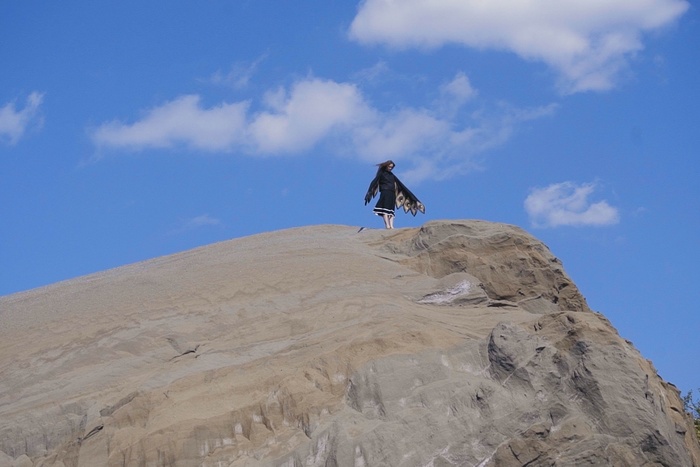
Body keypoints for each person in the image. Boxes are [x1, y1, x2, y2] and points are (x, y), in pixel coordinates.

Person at [364, 160, 425, 229]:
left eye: (391, 167)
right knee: (385, 210)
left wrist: (412, 198)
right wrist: (369, 193)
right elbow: (374, 182)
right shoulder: (382, 174)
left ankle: (392, 226)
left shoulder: (392, 175)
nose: (390, 168)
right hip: (385, 192)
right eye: (389, 167)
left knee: (391, 211)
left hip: (392, 193)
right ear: (386, 166)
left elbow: (401, 186)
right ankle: (387, 225)